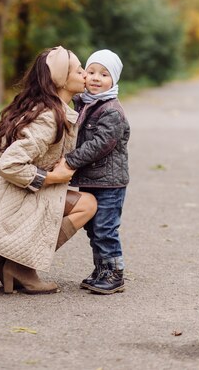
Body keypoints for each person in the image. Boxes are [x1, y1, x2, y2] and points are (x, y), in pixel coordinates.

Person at [0, 47, 97, 294]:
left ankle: (5, 260)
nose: (85, 74)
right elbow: (10, 164)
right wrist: (54, 176)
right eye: (79, 70)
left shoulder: (46, 105)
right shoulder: (48, 117)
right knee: (87, 204)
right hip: (1, 194)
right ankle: (19, 263)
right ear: (62, 80)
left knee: (75, 200)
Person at [63, 49, 130, 294]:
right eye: (90, 71)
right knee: (93, 229)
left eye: (104, 74)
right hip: (92, 179)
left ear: (114, 80)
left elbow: (100, 144)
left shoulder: (111, 110)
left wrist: (70, 161)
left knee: (105, 228)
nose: (95, 77)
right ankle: (101, 269)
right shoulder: (86, 104)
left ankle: (115, 274)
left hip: (110, 183)